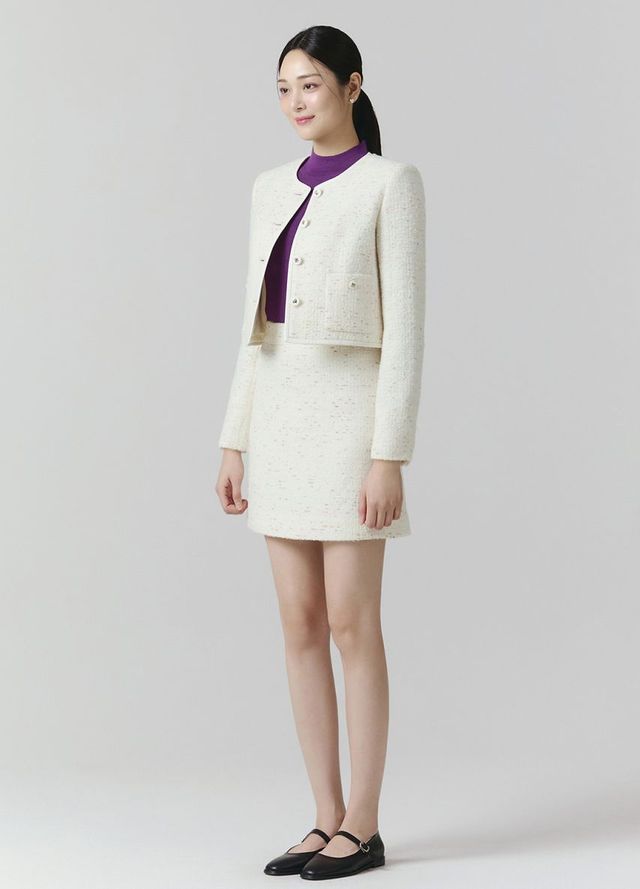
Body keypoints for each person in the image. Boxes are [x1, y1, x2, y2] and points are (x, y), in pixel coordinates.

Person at [215, 25, 426, 881]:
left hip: (350, 427)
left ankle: (364, 826)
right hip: (278, 422)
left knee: (350, 622)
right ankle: (323, 816)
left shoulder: (390, 183)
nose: (296, 101)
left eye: (310, 84)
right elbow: (253, 330)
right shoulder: (268, 188)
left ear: (351, 85)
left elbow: (405, 331)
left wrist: (389, 453)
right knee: (298, 623)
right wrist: (234, 438)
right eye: (284, 88)